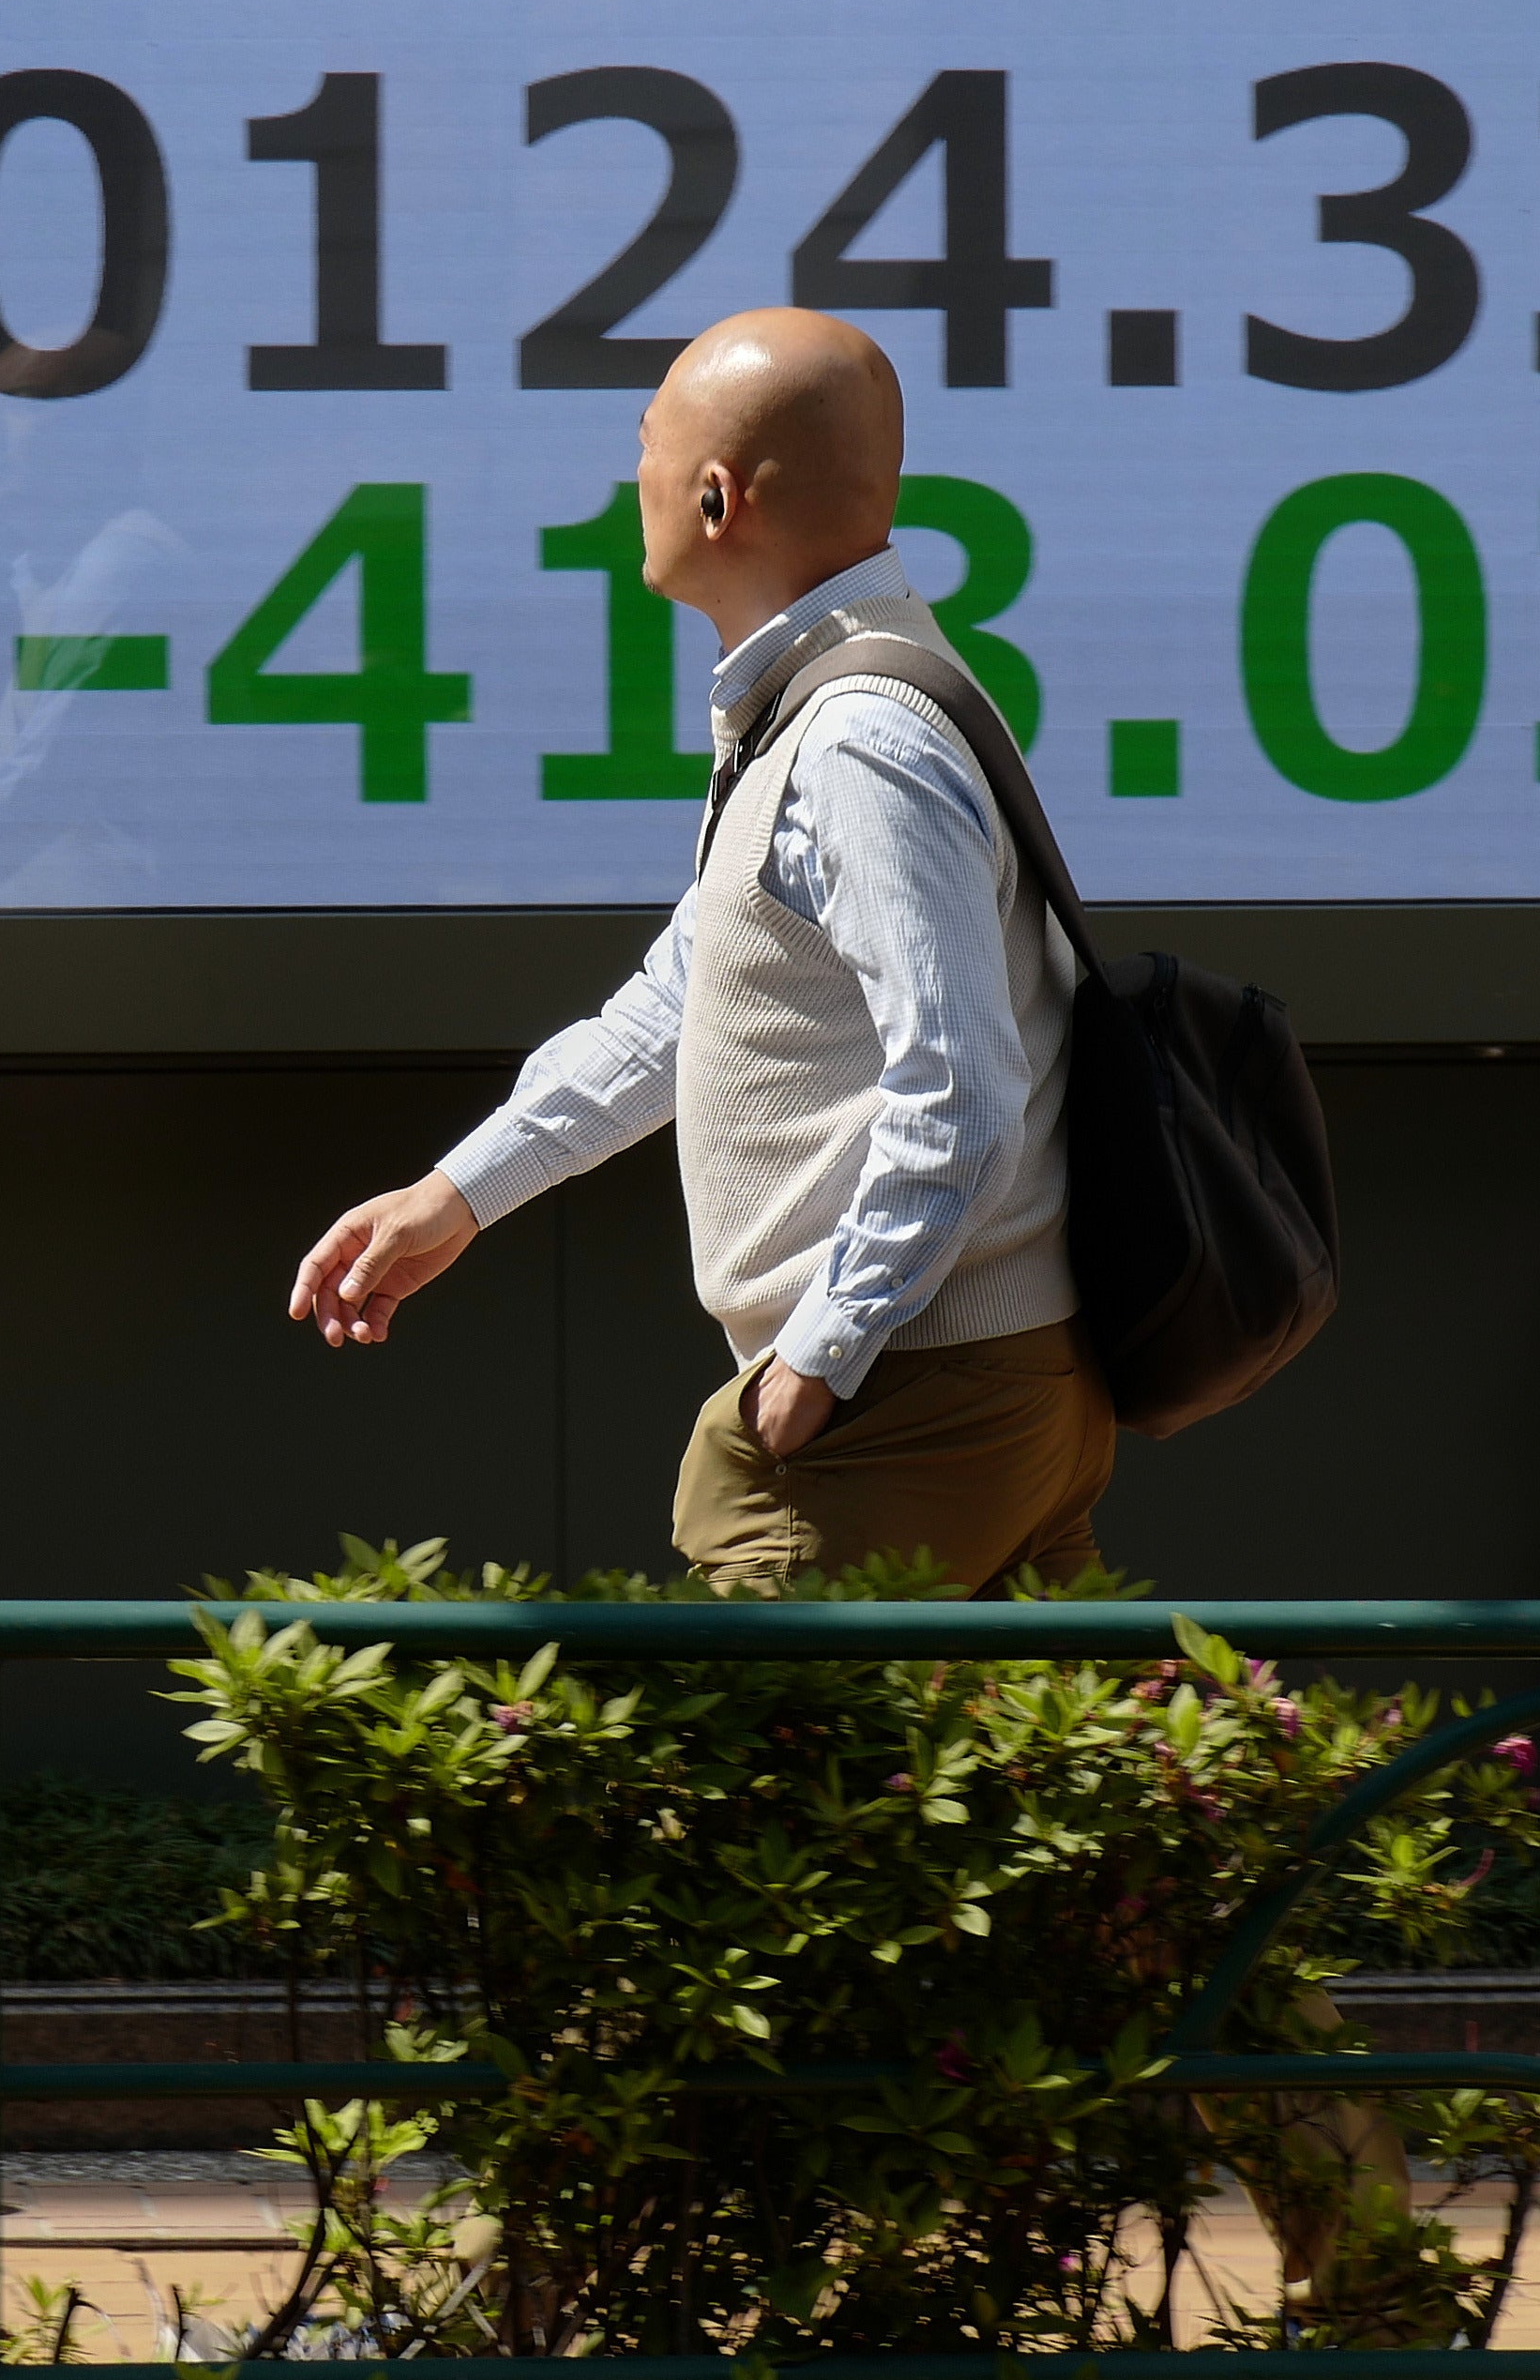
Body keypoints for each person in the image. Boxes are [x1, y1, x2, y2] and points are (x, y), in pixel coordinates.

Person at [284, 307, 1108, 1593]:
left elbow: (961, 1094)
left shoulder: (859, 743)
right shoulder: (817, 711)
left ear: (715, 496)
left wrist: (818, 1355)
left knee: (733, 1728)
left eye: (646, 448)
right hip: (944, 1386)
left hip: (908, 1396)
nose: (635, 481)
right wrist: (457, 1196)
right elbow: (684, 1002)